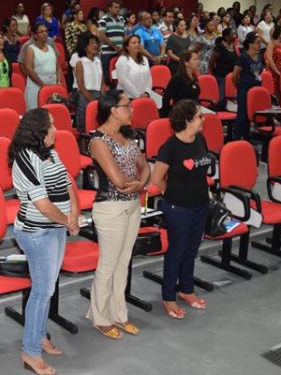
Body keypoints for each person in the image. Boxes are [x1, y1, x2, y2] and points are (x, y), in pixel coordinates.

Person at [9, 107, 79, 375]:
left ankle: (38, 336)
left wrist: (74, 212)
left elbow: (67, 183)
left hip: (57, 227)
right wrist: (67, 221)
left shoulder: (52, 152)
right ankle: (30, 351)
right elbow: (42, 204)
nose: (55, 130)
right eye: (50, 126)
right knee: (41, 292)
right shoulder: (24, 159)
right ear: (37, 132)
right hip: (36, 232)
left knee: (47, 288)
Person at [87, 89, 149, 339]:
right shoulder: (98, 141)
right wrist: (136, 183)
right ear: (113, 109)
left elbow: (146, 167)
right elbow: (116, 179)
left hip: (133, 205)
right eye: (127, 106)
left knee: (124, 263)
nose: (132, 109)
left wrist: (140, 185)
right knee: (108, 265)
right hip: (111, 208)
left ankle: (119, 314)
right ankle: (99, 316)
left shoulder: (127, 136)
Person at [151, 99, 212, 320]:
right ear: (187, 120)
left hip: (200, 203)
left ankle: (186, 290)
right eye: (199, 116)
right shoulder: (170, 147)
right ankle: (168, 297)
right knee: (177, 251)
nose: (203, 119)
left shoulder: (201, 139)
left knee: (191, 249)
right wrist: (174, 194)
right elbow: (156, 178)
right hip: (178, 207)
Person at [232, 32, 263, 140]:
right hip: (244, 89)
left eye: (260, 43)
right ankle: (236, 138)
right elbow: (234, 75)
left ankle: (246, 137)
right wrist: (239, 87)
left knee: (250, 116)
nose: (259, 45)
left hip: (255, 89)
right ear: (250, 44)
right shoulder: (243, 57)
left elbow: (260, 72)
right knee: (242, 116)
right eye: (257, 43)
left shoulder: (259, 57)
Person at [70, 32, 104, 131]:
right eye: (92, 43)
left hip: (98, 94)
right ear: (85, 47)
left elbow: (102, 82)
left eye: (96, 43)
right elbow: (80, 85)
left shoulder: (98, 62)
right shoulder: (80, 63)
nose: (95, 45)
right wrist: (92, 100)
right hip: (84, 96)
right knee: (84, 127)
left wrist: (102, 96)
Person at [24, 23, 61, 110]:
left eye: (46, 31)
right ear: (35, 35)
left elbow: (58, 67)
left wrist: (58, 82)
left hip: (52, 87)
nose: (45, 33)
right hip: (36, 88)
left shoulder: (51, 48)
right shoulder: (30, 49)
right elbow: (29, 70)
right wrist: (43, 86)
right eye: (41, 32)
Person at [162, 51, 201, 118]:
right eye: (195, 59)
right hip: (181, 114)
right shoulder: (177, 78)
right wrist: (170, 114)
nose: (198, 61)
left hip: (193, 112)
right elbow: (166, 98)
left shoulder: (193, 77)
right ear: (186, 63)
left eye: (198, 59)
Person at [116, 35, 153, 100]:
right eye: (134, 43)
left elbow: (149, 78)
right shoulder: (122, 60)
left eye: (138, 43)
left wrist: (147, 92)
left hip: (144, 96)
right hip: (128, 97)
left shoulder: (144, 59)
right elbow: (123, 80)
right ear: (127, 47)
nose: (137, 45)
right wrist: (138, 95)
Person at [209, 28, 237, 110]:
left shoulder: (233, 46)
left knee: (229, 96)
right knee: (221, 97)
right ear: (227, 36)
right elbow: (211, 61)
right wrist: (213, 74)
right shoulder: (219, 47)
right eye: (233, 34)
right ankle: (218, 112)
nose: (235, 36)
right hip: (221, 75)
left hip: (231, 76)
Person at [98, 0, 125, 83]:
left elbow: (123, 34)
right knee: (107, 76)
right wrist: (114, 47)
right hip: (107, 52)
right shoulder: (103, 20)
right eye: (115, 7)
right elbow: (102, 36)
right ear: (109, 8)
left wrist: (123, 47)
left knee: (119, 75)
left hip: (120, 51)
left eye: (119, 8)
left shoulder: (122, 19)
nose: (117, 9)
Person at [266, 24, 281, 97]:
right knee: (275, 92)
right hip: (274, 72)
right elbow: (269, 59)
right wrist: (278, 73)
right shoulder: (272, 43)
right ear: (278, 32)